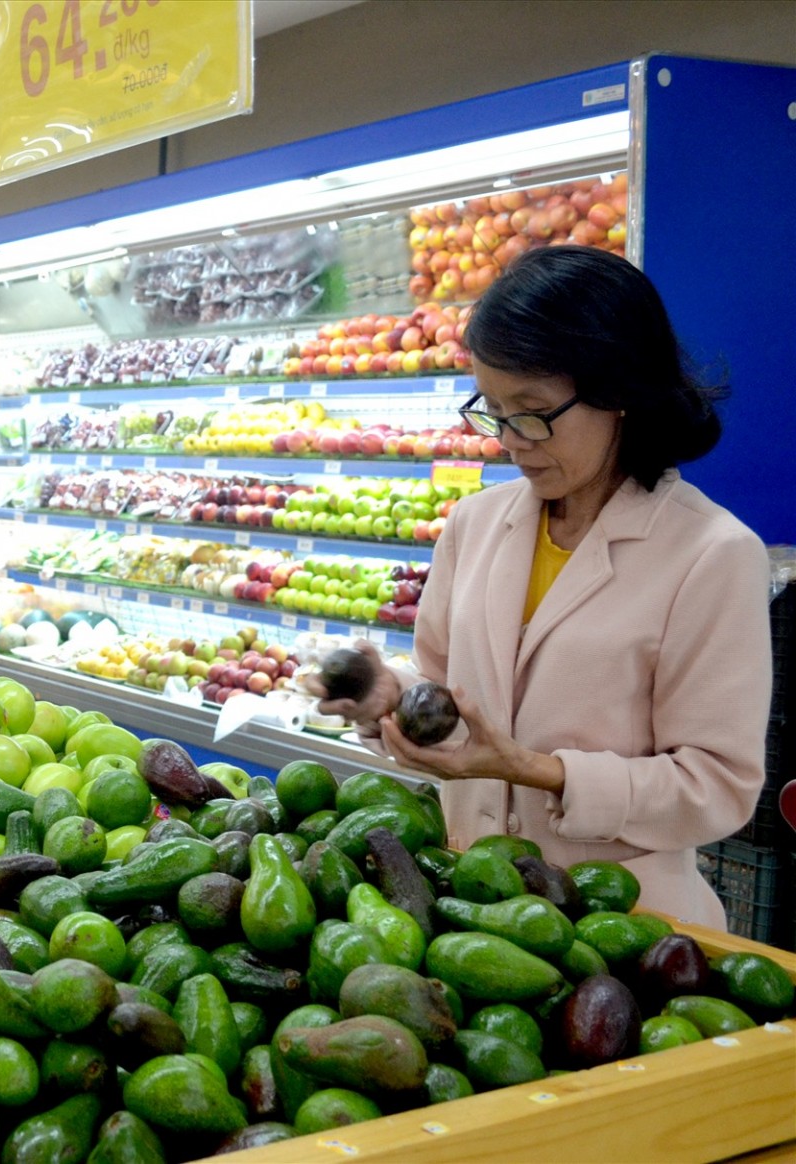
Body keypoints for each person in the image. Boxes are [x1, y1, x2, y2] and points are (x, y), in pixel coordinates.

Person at [315, 245, 770, 928]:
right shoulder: (474, 524)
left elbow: (716, 787)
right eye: (492, 410)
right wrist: (389, 698)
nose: (510, 440)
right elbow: (443, 689)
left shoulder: (713, 554)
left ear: (618, 392)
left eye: (531, 411)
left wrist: (539, 770)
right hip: (467, 915)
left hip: (621, 931)